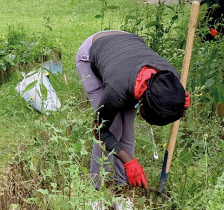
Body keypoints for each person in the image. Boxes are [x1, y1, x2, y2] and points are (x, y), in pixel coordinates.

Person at [76, 30, 190, 193]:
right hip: (93, 52)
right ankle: (95, 192)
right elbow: (99, 130)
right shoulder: (117, 89)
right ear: (142, 101)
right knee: (113, 127)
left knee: (127, 129)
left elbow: (174, 93)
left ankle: (122, 189)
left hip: (126, 48)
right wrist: (129, 161)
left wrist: (180, 100)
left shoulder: (169, 77)